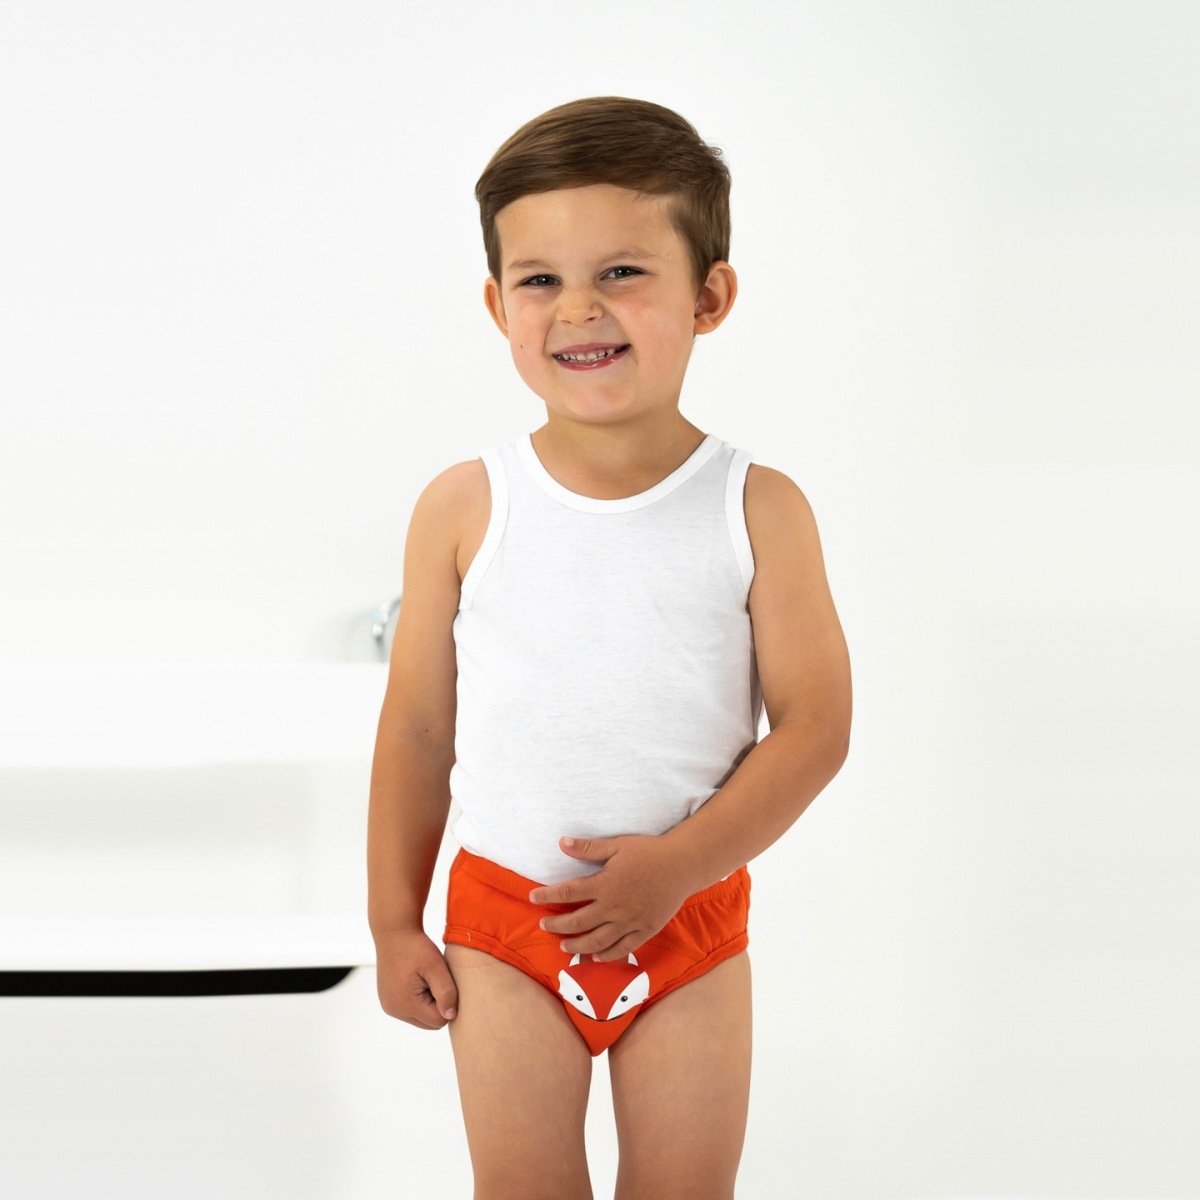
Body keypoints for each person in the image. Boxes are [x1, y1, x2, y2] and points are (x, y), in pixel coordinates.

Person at [367, 95, 852, 1200]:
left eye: (623, 272)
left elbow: (816, 727)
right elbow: (419, 729)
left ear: (709, 296)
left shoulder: (759, 508)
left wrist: (678, 867)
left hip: (687, 923)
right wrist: (393, 920)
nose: (578, 307)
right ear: (498, 305)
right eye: (540, 279)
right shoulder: (463, 507)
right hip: (506, 929)